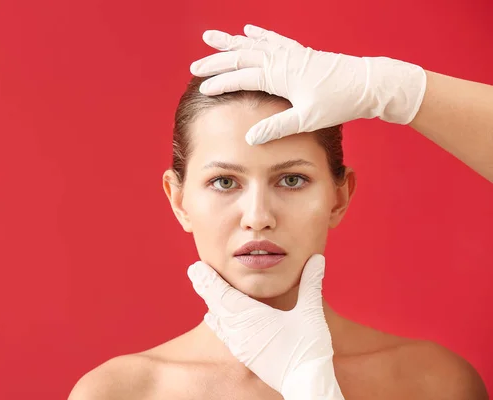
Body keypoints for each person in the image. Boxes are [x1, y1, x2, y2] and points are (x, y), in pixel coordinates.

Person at [67, 72, 489, 398]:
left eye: (291, 180)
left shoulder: (433, 384)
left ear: (338, 198)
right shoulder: (118, 393)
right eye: (225, 182)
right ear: (179, 201)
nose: (258, 218)